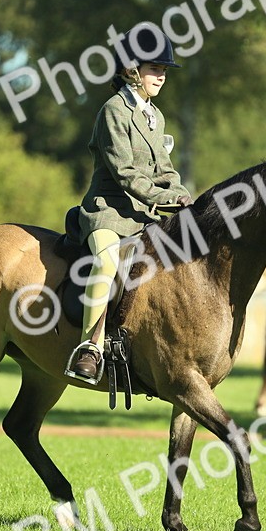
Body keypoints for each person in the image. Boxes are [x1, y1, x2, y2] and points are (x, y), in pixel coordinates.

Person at [65, 22, 192, 383]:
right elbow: (125, 174)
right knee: (106, 264)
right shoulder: (113, 111)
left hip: (143, 215)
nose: (162, 76)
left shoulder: (155, 115)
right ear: (131, 69)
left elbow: (165, 171)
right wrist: (169, 200)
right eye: (155, 68)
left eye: (164, 70)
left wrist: (185, 197)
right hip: (108, 213)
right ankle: (89, 346)